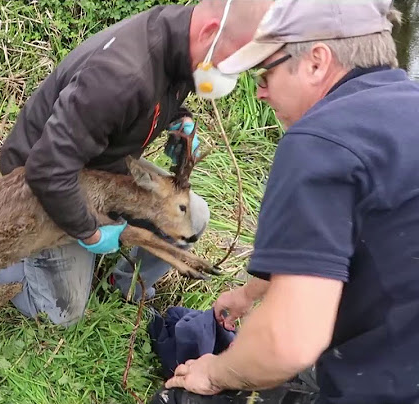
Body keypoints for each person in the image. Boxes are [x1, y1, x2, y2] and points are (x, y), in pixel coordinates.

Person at [161, 0, 419, 403]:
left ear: (316, 62)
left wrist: (213, 373)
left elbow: (291, 341)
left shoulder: (322, 141)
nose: (260, 92)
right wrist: (248, 295)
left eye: (267, 73)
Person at [0, 0, 274, 327]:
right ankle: (4, 256)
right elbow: (48, 168)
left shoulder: (181, 44)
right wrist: (92, 232)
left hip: (104, 173)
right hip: (40, 184)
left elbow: (155, 100)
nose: (231, 72)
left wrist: (179, 120)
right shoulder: (119, 77)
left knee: (193, 218)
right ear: (210, 33)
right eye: (233, 61)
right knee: (60, 314)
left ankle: (123, 285)